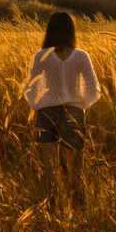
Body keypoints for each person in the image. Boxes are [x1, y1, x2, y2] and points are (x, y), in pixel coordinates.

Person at [23, 11, 100, 208]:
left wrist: (39, 105)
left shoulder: (42, 55)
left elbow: (30, 87)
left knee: (50, 167)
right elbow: (94, 90)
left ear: (49, 31)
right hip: (73, 113)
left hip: (46, 112)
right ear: (71, 31)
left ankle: (52, 210)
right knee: (76, 169)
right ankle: (78, 209)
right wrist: (80, 106)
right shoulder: (82, 56)